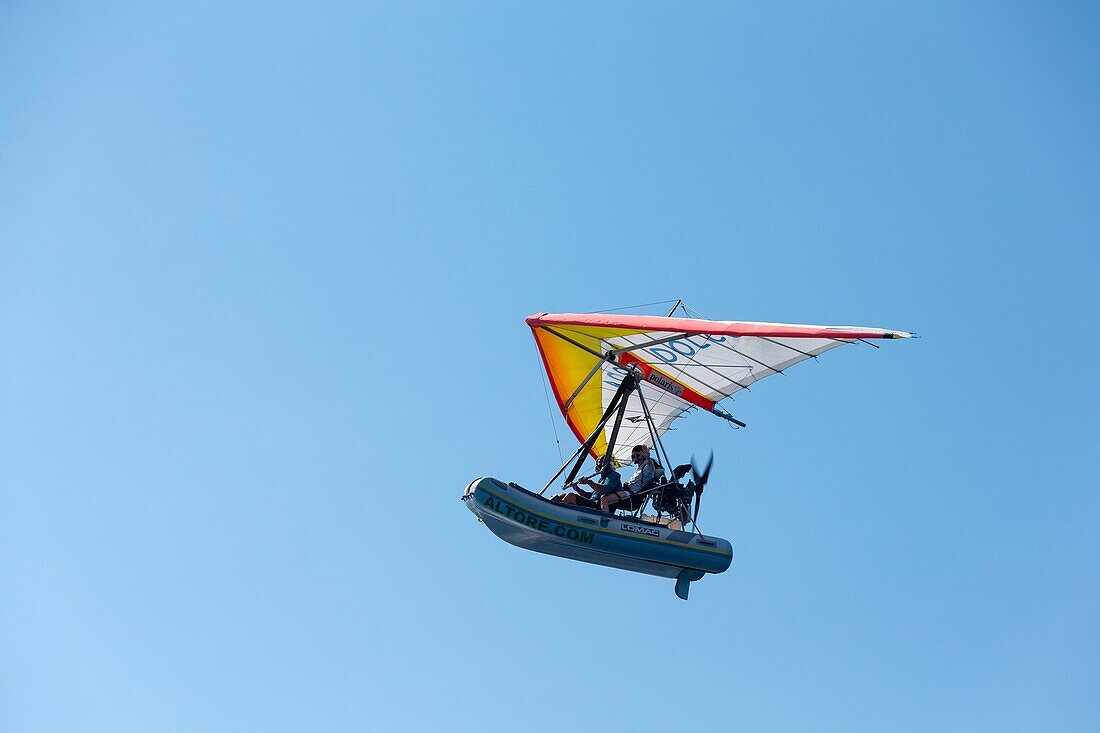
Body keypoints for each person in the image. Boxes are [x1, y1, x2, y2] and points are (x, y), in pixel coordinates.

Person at [599, 444, 662, 513]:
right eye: (633, 457)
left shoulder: (647, 467)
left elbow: (651, 467)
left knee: (605, 499)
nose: (636, 459)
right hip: (627, 492)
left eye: (638, 455)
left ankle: (604, 518)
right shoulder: (640, 468)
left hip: (632, 495)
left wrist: (648, 457)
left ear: (643, 455)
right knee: (605, 495)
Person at [551, 455, 621, 507]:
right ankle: (550, 506)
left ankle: (558, 512)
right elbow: (590, 496)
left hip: (599, 506)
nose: (599, 466)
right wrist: (577, 489)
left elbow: (605, 489)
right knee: (562, 495)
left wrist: (589, 482)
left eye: (601, 463)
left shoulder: (614, 475)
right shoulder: (602, 479)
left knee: (570, 496)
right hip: (592, 503)